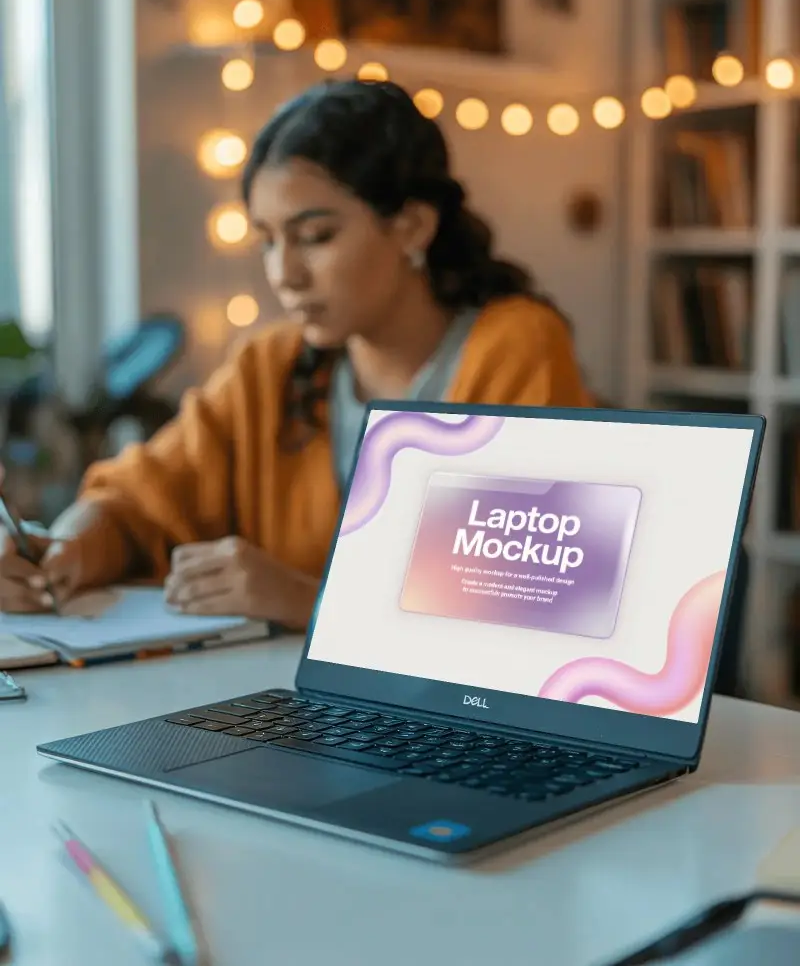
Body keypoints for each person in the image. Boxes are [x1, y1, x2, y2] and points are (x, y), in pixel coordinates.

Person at [0, 79, 591, 626]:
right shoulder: (269, 366)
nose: (284, 274)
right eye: (268, 241)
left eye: (315, 236)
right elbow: (140, 498)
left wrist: (305, 601)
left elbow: (520, 604)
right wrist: (67, 546)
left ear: (412, 226)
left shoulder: (518, 346)